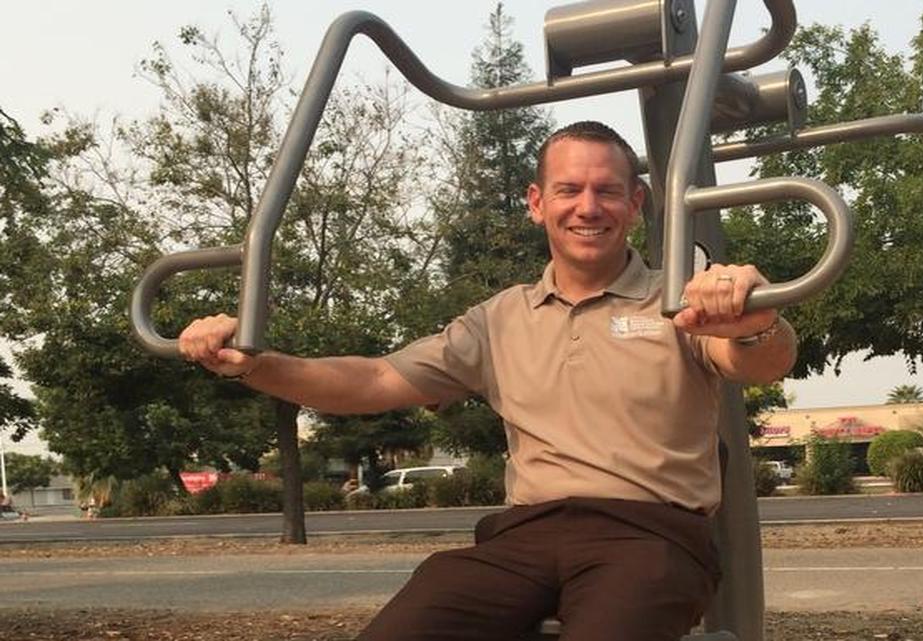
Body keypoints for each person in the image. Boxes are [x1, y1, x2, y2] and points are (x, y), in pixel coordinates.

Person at [178, 121, 796, 641]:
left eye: (608, 191)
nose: (588, 207)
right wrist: (256, 363)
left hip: (650, 536)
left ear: (635, 204)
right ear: (536, 203)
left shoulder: (677, 298)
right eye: (569, 190)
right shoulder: (500, 319)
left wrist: (756, 322)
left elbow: (759, 362)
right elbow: (372, 380)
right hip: (524, 536)